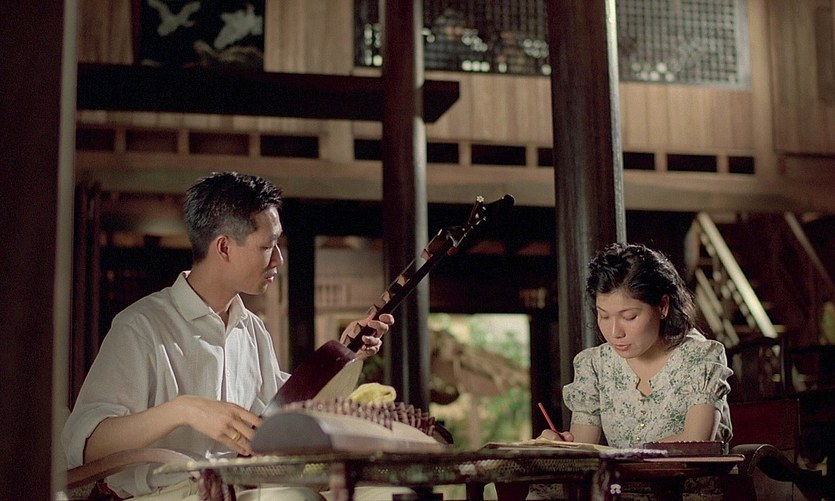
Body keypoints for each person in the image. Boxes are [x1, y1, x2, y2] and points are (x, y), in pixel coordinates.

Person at [62, 172, 395, 500]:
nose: (279, 258)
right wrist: (184, 410)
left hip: (239, 487)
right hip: (168, 493)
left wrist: (344, 354)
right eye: (268, 245)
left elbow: (284, 412)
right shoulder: (141, 327)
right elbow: (85, 446)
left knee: (382, 492)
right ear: (224, 247)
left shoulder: (252, 329)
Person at [541, 242, 733, 448]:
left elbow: (696, 442)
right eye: (604, 316)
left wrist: (623, 455)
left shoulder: (700, 357)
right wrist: (561, 446)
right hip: (619, 471)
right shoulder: (595, 365)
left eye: (630, 317)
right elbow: (583, 448)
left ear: (663, 306)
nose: (615, 332)